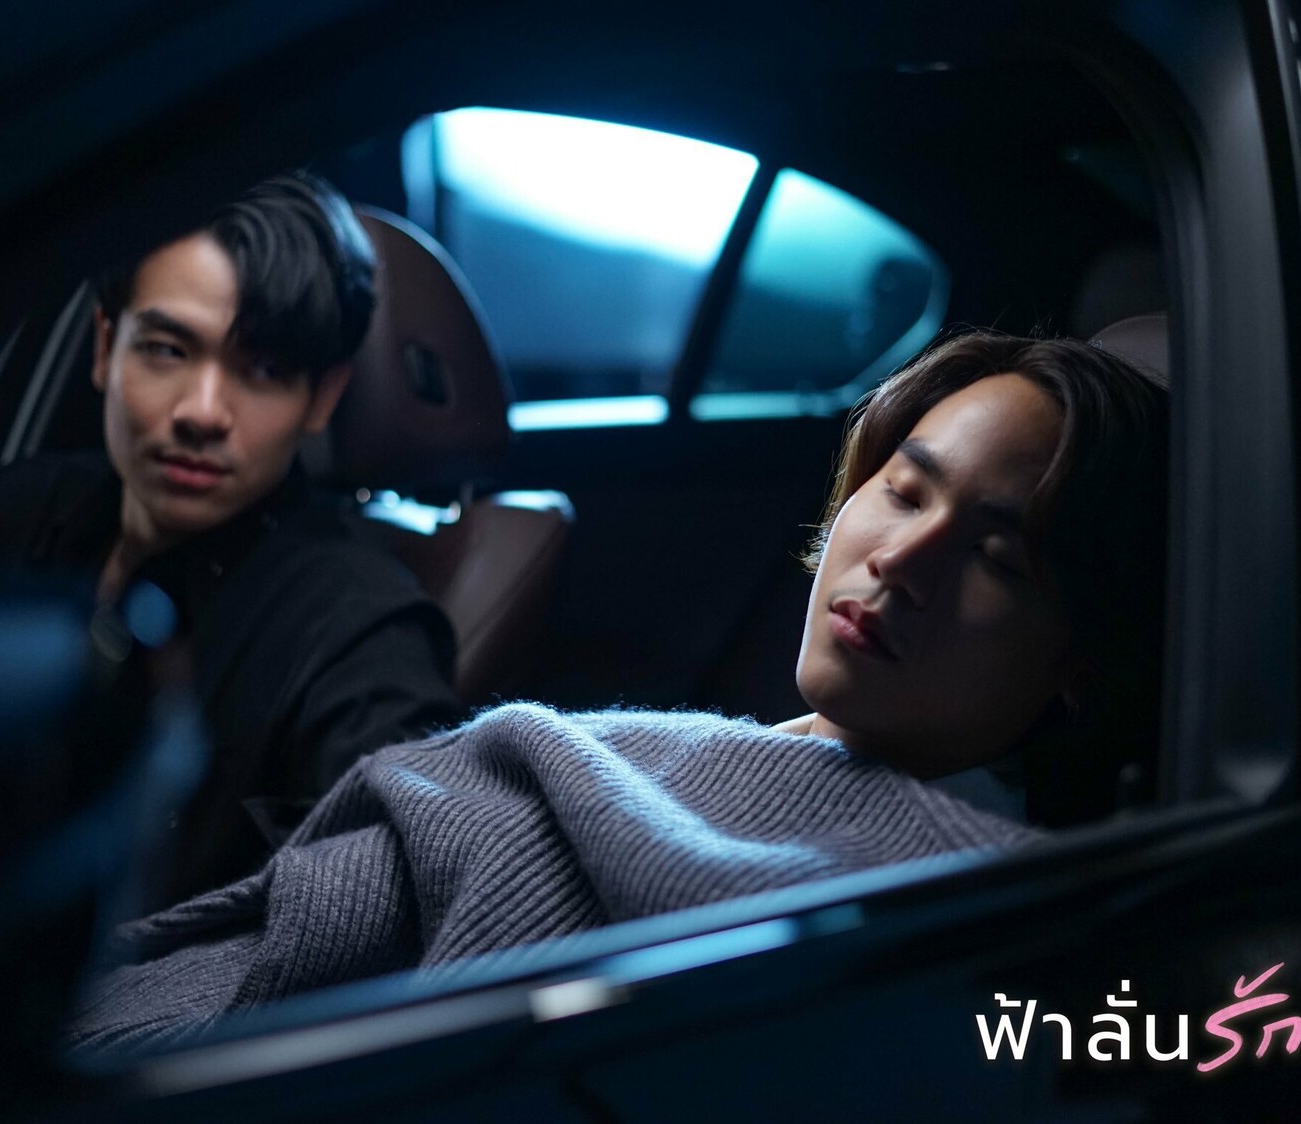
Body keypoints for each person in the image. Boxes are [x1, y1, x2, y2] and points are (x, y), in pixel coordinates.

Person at [66, 330, 1168, 1056]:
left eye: (997, 557)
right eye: (906, 490)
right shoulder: (724, 760)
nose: (901, 558)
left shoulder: (971, 931)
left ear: (1083, 656)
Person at [0, 173, 465, 905]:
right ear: (105, 348)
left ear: (322, 397)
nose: (202, 413)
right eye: (168, 350)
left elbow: (398, 890)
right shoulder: (31, 503)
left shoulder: (360, 632)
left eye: (264, 369)